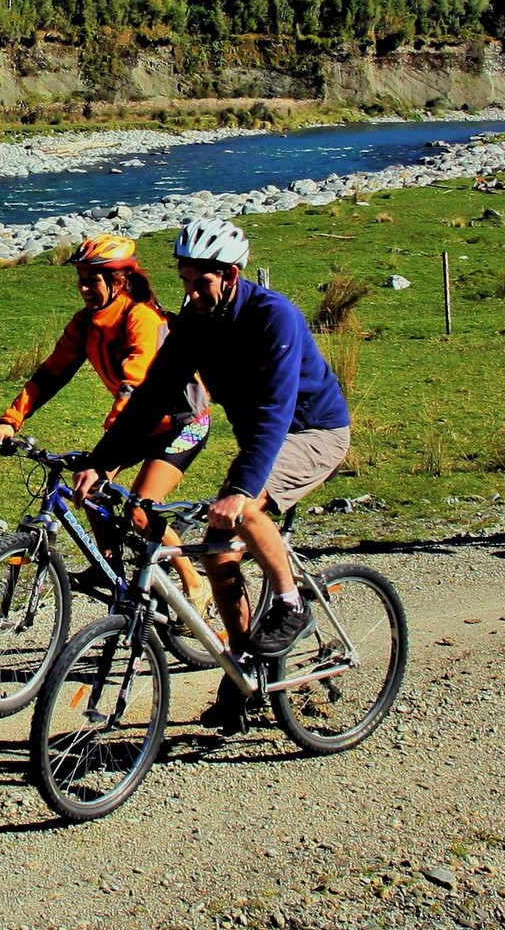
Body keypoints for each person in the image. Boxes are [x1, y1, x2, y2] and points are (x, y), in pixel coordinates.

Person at [76, 216, 351, 730]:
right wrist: (101, 460)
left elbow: (275, 411)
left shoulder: (275, 318)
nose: (192, 293)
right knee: (218, 552)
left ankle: (291, 605)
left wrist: (244, 487)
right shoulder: (195, 324)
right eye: (184, 282)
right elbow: (150, 399)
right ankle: (245, 668)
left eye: (201, 282)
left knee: (241, 509)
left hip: (313, 433)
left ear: (231, 274)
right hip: (265, 442)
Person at [0, 234, 211, 602]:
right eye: (81, 280)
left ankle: (194, 582)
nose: (85, 288)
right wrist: (12, 419)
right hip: (136, 426)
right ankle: (108, 566)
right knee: (89, 490)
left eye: (93, 279)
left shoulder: (142, 318)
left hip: (181, 424)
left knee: (140, 510)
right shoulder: (85, 324)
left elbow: (133, 386)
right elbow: (50, 374)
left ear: (118, 282)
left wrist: (110, 446)